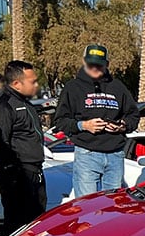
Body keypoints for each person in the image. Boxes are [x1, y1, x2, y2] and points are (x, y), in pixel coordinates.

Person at [53, 45, 139, 198]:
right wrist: (84, 125)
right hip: (87, 154)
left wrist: (122, 126)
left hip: (115, 154)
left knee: (113, 206)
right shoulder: (73, 87)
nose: (95, 68)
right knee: (87, 205)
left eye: (99, 64)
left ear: (107, 64)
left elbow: (133, 116)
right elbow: (60, 121)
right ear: (84, 62)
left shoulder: (118, 87)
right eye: (91, 64)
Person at [0, 60, 46, 235]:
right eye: (32, 81)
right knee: (18, 226)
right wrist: (14, 173)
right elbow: (1, 143)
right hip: (19, 173)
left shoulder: (26, 103)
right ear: (16, 83)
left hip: (34, 170)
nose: (36, 85)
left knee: (36, 223)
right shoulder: (4, 105)